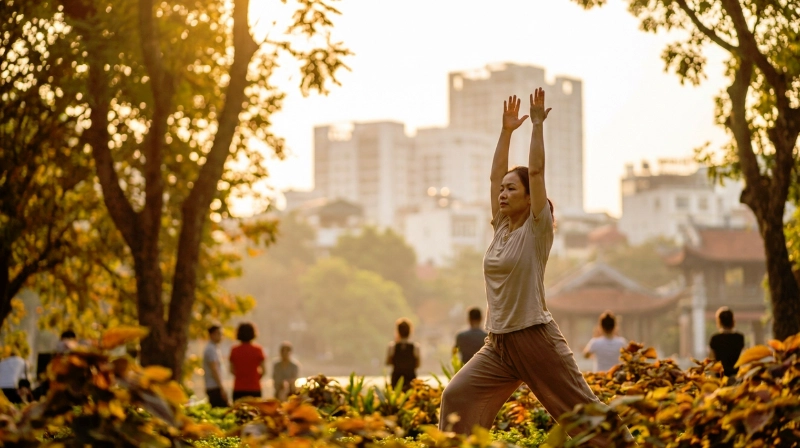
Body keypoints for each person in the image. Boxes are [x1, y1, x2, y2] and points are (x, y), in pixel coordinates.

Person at [438, 90, 628, 446]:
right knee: (456, 397)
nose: (503, 194)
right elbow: (494, 177)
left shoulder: (536, 228)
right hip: (498, 344)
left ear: (529, 198)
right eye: (503, 191)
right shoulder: (502, 229)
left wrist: (536, 125)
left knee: (582, 412)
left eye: (513, 189)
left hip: (534, 337)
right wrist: (506, 131)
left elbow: (536, 172)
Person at [229, 322, 266, 400]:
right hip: (254, 388)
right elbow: (264, 370)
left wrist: (241, 376)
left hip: (238, 388)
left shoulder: (234, 350)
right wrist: (255, 377)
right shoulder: (258, 350)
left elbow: (231, 370)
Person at [709, 307, 745, 378]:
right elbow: (743, 358)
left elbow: (711, 361)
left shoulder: (715, 339)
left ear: (719, 321)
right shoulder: (739, 338)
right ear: (732, 321)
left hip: (720, 377)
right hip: (736, 376)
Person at [386, 318, 420, 391]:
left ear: (398, 331)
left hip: (396, 380)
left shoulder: (392, 346)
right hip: (411, 379)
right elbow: (418, 364)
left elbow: (388, 362)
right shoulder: (415, 347)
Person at [203, 324, 229, 407]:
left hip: (215, 386)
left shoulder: (215, 348)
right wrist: (222, 387)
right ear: (211, 335)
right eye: (218, 333)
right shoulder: (211, 349)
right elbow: (214, 369)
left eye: (221, 334)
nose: (221, 336)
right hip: (215, 387)